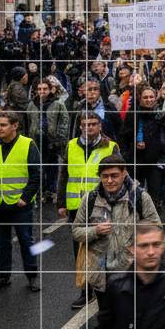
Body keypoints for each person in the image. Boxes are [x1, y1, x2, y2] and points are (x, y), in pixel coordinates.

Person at [72, 153, 161, 319]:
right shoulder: (90, 199)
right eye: (105, 176)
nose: (109, 181)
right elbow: (76, 231)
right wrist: (94, 231)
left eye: (114, 176)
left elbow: (157, 229)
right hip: (101, 277)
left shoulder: (140, 198)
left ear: (124, 174)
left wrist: (137, 242)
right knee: (107, 319)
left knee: (131, 319)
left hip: (131, 274)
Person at [60, 112, 121, 308]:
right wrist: (60, 202)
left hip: (102, 206)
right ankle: (85, 291)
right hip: (77, 207)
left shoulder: (110, 146)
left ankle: (108, 288)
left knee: (105, 249)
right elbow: (64, 174)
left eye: (93, 124)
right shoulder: (71, 146)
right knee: (80, 251)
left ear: (100, 126)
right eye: (85, 124)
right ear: (80, 126)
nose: (89, 128)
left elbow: (120, 176)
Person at [0, 110, 41, 292]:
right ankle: (4, 276)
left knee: (25, 240)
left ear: (15, 126)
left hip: (20, 205)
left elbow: (36, 175)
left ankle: (32, 277)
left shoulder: (27, 144)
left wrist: (25, 198)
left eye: (3, 125)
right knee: (2, 242)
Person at [26, 77, 70, 200]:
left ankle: (51, 190)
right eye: (39, 89)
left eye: (45, 89)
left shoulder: (58, 104)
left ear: (51, 90)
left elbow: (64, 122)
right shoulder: (31, 105)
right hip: (36, 140)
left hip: (52, 141)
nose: (42, 91)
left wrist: (60, 139)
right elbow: (28, 122)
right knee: (38, 167)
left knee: (52, 166)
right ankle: (40, 190)